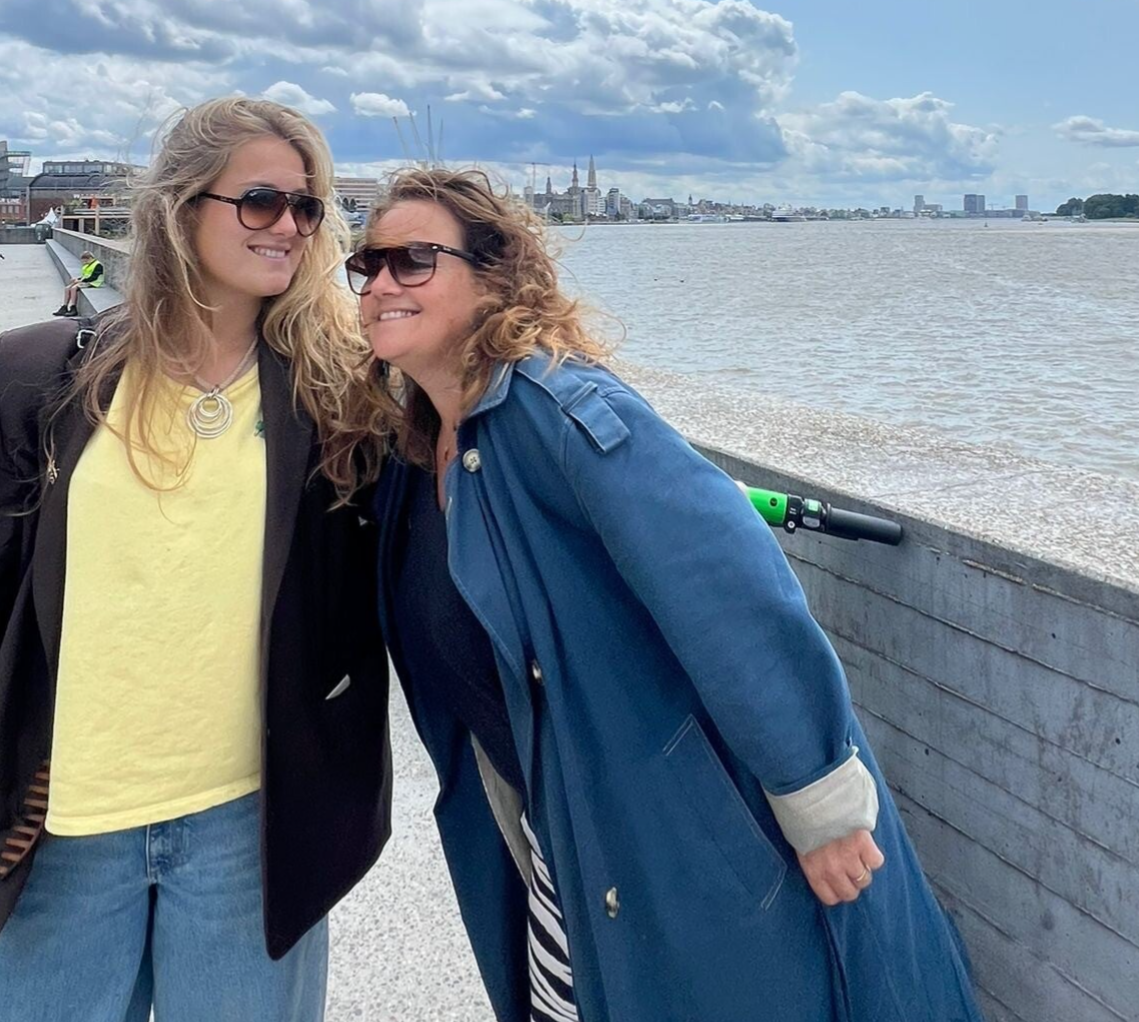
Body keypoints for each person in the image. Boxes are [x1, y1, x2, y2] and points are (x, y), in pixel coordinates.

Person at [350, 168, 986, 1022]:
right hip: (559, 825)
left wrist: (819, 803)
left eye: (415, 260)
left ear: (493, 276)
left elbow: (734, 588)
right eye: (369, 264)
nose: (382, 283)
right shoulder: (418, 445)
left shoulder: (560, 413)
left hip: (651, 828)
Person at [0, 97, 390, 1021]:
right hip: (57, 826)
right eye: (261, 200)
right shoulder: (36, 376)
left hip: (251, 828)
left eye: (306, 208)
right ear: (181, 208)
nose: (288, 226)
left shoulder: (332, 395)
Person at [52, 250, 106, 316]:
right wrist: (77, 279)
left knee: (73, 288)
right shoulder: (88, 265)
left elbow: (93, 277)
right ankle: (64, 307)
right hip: (86, 281)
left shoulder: (98, 265)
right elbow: (85, 276)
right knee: (67, 288)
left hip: (94, 282)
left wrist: (80, 281)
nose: (85, 262)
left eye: (86, 261)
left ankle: (73, 308)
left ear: (90, 258)